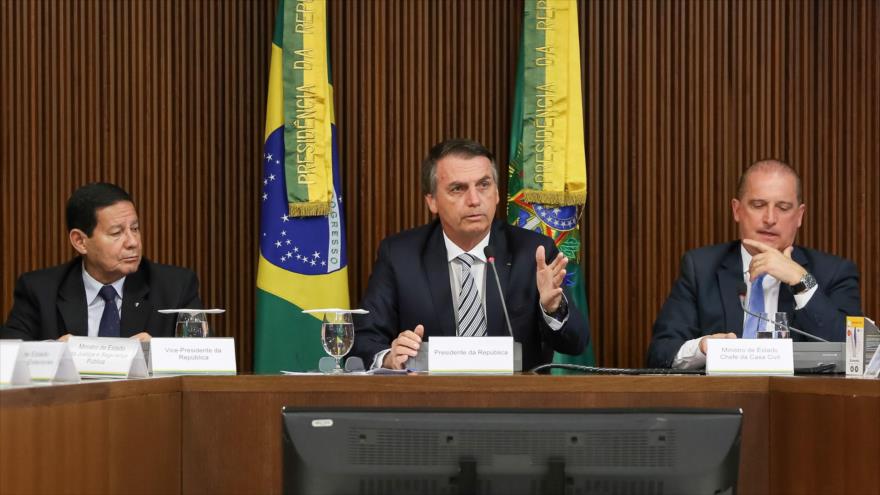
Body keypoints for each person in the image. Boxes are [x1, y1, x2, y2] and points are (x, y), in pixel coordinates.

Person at [351, 139, 589, 370]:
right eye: (458, 189)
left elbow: (576, 343)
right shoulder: (401, 256)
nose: (474, 200)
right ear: (432, 201)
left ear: (497, 193)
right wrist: (389, 358)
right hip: (429, 396)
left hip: (514, 397)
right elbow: (363, 340)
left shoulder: (533, 253)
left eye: (484, 185)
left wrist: (553, 308)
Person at [647, 160, 862, 369]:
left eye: (783, 207)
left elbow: (856, 354)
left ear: (799, 216)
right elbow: (660, 353)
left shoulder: (834, 272)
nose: (770, 218)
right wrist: (702, 348)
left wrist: (802, 281)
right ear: (737, 210)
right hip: (726, 392)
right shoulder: (701, 269)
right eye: (758, 205)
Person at [1, 182, 203, 341]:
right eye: (116, 233)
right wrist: (54, 354)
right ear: (80, 241)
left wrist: (159, 355)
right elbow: (8, 358)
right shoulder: (39, 291)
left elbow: (203, 361)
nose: (133, 242)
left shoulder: (176, 288)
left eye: (135, 228)